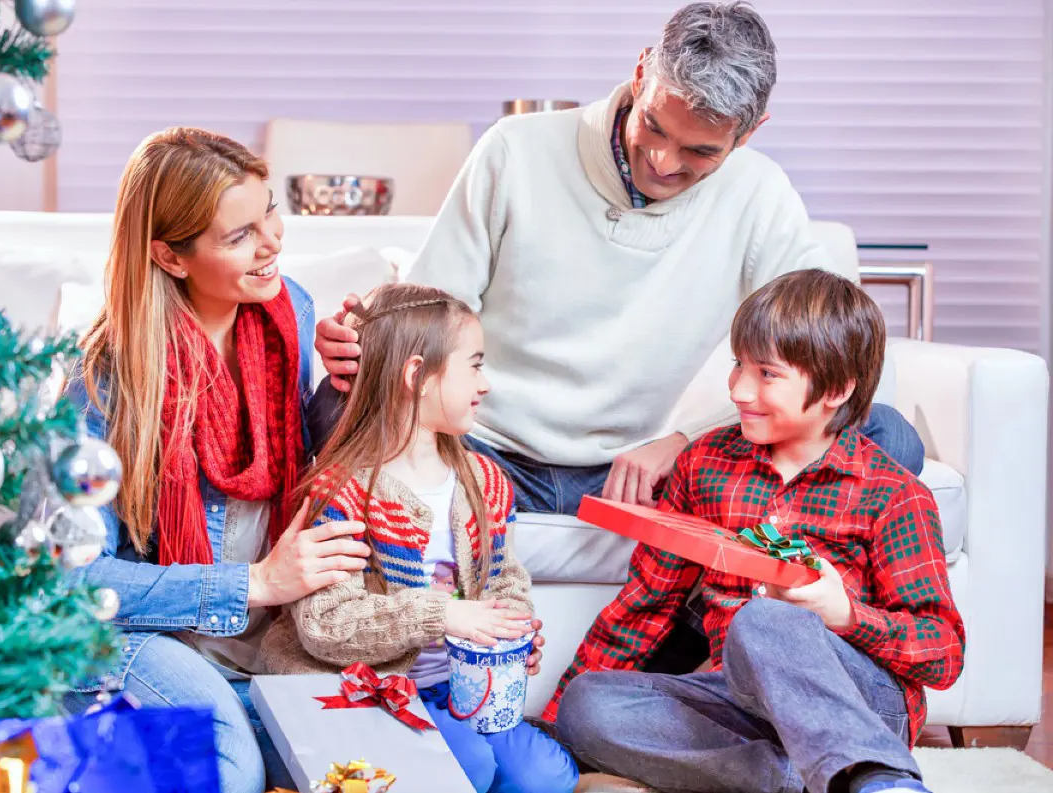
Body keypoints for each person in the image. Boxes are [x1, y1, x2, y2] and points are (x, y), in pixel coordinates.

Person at [312, 0, 926, 677]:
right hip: (483, 448)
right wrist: (369, 338)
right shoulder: (516, 151)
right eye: (653, 126)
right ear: (640, 72)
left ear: (749, 135)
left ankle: (772, 651)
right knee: (335, 403)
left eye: (700, 151)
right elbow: (431, 308)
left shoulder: (760, 195)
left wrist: (682, 440)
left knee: (886, 435)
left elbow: (831, 361)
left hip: (637, 472)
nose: (663, 161)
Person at [549, 269, 965, 793]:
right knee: (589, 705)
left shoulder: (893, 493)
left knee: (764, 619)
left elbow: (943, 653)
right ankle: (806, 782)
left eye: (766, 374)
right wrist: (555, 719)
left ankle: (878, 778)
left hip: (859, 706)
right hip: (739, 700)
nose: (740, 389)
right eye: (738, 366)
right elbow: (646, 603)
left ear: (836, 388)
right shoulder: (705, 463)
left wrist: (844, 615)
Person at [62, 127, 372, 793]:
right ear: (170, 258)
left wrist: (345, 388)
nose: (272, 243)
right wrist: (255, 582)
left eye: (269, 213)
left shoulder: (290, 312)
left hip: (263, 632)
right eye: (239, 236)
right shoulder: (100, 383)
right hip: (140, 635)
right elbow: (69, 582)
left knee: (361, 767)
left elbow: (294, 455)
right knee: (232, 768)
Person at [259, 284, 578, 793]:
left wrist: (509, 634)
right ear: (417, 376)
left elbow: (506, 578)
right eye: (473, 365)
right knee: (467, 768)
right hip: (366, 688)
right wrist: (442, 614)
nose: (486, 383)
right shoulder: (339, 491)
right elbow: (326, 624)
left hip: (455, 686)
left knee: (547, 777)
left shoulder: (484, 481)